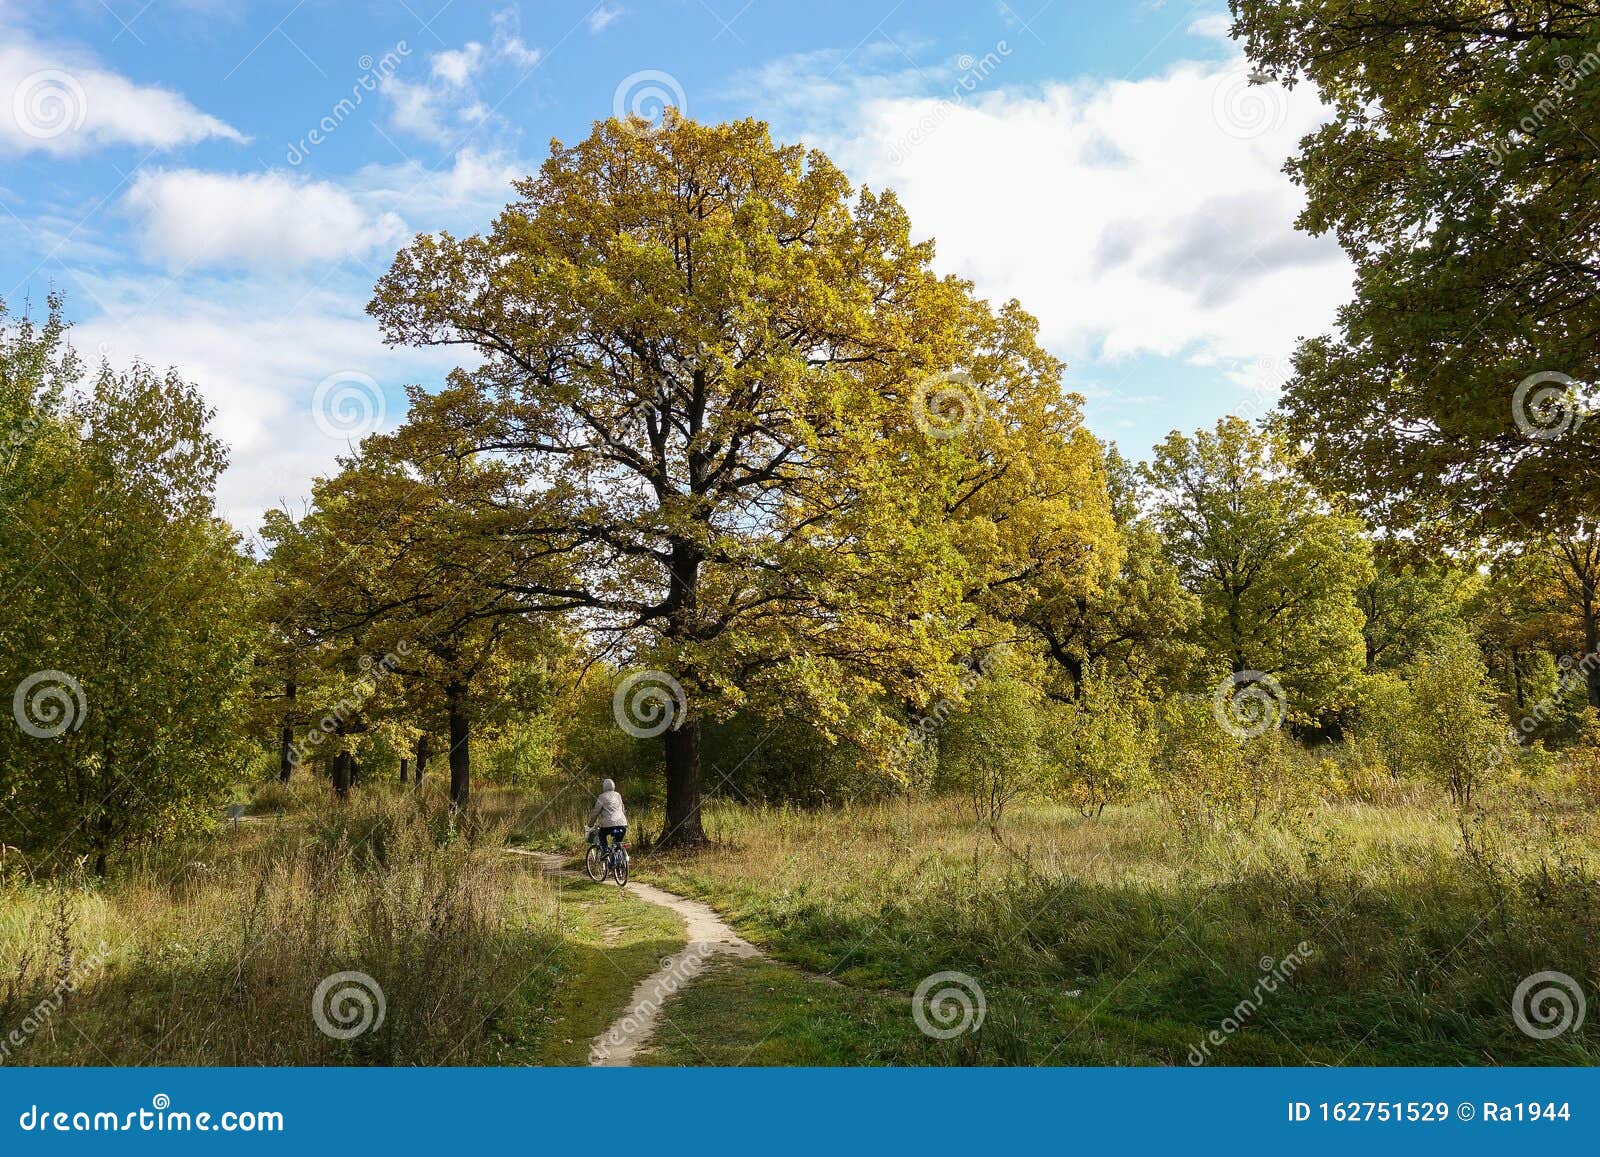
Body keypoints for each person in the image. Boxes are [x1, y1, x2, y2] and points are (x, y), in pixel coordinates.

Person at [586, 778, 627, 859]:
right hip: (622, 824)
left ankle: (605, 851)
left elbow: (596, 812)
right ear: (613, 786)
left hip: (609, 826)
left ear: (604, 787)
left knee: (601, 834)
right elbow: (622, 809)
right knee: (617, 844)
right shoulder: (618, 795)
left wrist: (590, 824)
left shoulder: (602, 797)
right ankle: (618, 863)